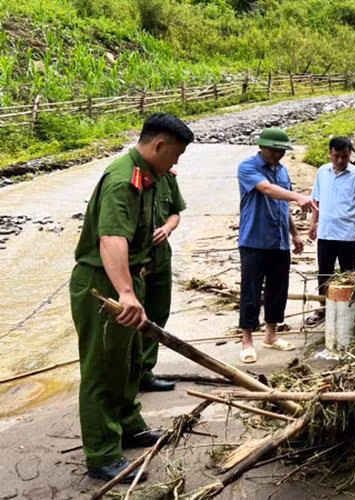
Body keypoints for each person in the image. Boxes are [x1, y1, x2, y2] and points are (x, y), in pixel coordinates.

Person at [69, 113, 194, 482]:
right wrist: (125, 292)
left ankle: (128, 425)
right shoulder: (122, 179)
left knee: (129, 362)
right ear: (158, 146)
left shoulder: (151, 176)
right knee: (104, 369)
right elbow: (111, 238)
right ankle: (102, 453)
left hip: (129, 279)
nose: (176, 163)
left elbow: (165, 218)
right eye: (175, 155)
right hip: (104, 286)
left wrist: (133, 288)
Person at [237, 127, 317, 363]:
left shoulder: (283, 171)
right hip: (254, 239)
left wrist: (295, 234)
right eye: (273, 149)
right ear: (261, 146)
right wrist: (298, 197)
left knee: (277, 290)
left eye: (281, 150)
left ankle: (271, 335)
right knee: (251, 291)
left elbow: (283, 206)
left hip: (279, 241)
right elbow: (267, 190)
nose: (277, 154)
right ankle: (247, 340)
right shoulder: (248, 167)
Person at [305, 137, 355, 326]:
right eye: (337, 156)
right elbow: (316, 201)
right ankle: (323, 308)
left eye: (345, 156)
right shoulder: (322, 172)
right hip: (326, 233)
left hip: (347, 235)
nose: (341, 160)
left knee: (349, 274)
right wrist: (313, 224)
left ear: (350, 155)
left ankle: (349, 310)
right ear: (330, 154)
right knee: (324, 273)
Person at [139, 166, 186, 392]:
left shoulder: (168, 178)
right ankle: (128, 374)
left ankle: (144, 372)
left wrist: (167, 228)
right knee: (133, 318)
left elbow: (175, 212)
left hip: (160, 259)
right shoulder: (130, 177)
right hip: (135, 262)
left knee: (158, 313)